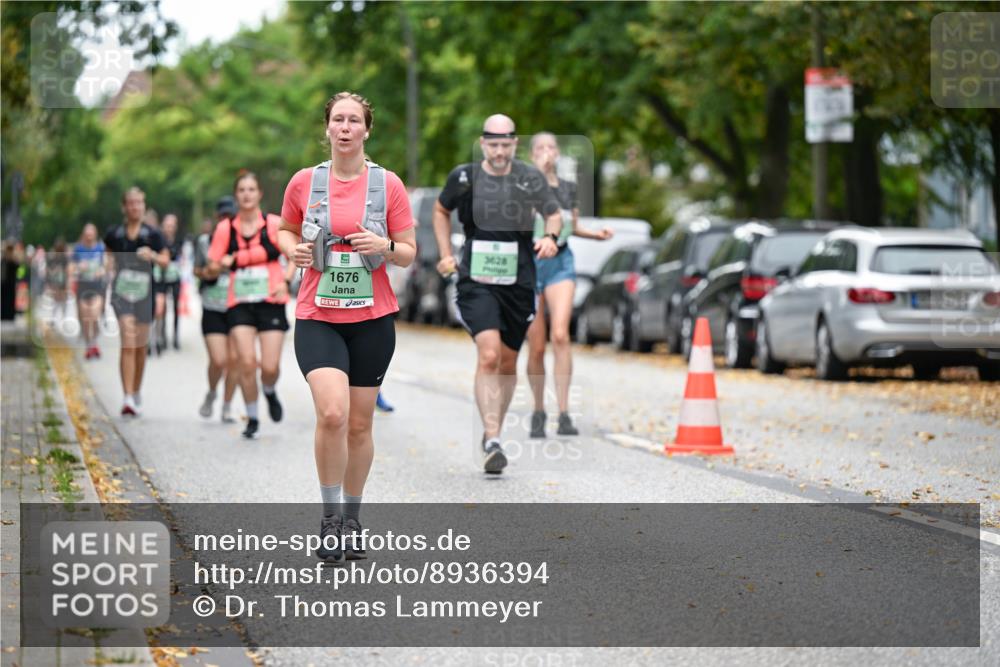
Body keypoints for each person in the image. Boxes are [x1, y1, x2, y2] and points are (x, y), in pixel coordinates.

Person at [277, 91, 415, 562]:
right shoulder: (305, 182)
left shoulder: (388, 185)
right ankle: (330, 518)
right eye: (338, 119)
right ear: (328, 128)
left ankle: (353, 519)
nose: (345, 127)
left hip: (373, 318)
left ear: (366, 130)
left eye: (354, 120)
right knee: (332, 414)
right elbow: (285, 227)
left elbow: (410, 251)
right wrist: (289, 249)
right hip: (319, 315)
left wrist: (384, 243)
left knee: (359, 424)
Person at [433, 114, 562, 475]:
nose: (500, 150)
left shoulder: (529, 177)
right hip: (476, 279)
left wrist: (550, 238)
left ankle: (494, 431)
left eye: (506, 144)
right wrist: (445, 253)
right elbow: (441, 210)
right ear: (483, 143)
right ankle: (492, 438)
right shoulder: (464, 177)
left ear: (515, 144)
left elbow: (554, 215)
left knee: (507, 363)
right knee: (488, 355)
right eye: (494, 144)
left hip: (519, 282)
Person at [524, 133, 613, 438]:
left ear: (558, 154)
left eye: (551, 148)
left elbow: (573, 227)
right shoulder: (523, 186)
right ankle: (538, 410)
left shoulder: (568, 189)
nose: (547, 153)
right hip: (529, 265)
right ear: (532, 155)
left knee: (560, 334)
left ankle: (563, 412)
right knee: (536, 346)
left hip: (561, 263)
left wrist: (595, 235)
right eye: (540, 149)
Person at [208, 172, 290, 440]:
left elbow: (296, 256)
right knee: (246, 362)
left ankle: (269, 390)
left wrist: (286, 281)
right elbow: (213, 262)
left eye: (251, 189)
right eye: (241, 189)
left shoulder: (275, 224)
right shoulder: (225, 229)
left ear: (259, 194)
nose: (246, 194)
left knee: (269, 366)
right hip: (239, 302)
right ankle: (253, 416)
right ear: (236, 195)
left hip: (271, 300)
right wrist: (218, 264)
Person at [104, 187, 169, 417]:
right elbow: (107, 254)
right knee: (128, 341)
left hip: (145, 293)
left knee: (140, 346)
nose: (135, 207)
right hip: (122, 294)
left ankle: (136, 390)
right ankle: (127, 396)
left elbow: (165, 261)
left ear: (144, 205)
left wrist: (152, 255)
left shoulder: (153, 234)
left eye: (139, 202)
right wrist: (107, 267)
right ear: (124, 206)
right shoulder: (115, 233)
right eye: (131, 203)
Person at [194, 209, 240, 422]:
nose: (225, 222)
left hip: (237, 306)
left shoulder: (244, 240)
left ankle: (227, 405)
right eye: (221, 217)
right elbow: (197, 269)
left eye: (229, 218)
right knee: (218, 360)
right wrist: (209, 272)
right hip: (212, 305)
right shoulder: (205, 242)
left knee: (234, 360)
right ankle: (212, 393)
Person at [72, 223, 108, 359]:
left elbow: (107, 265)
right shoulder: (78, 249)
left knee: (94, 315)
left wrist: (102, 271)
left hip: (97, 286)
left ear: (95, 234)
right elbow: (71, 268)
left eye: (91, 234)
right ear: (84, 235)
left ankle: (94, 342)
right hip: (82, 287)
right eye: (87, 234)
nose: (89, 236)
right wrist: (78, 267)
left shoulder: (101, 248)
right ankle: (89, 345)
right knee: (86, 319)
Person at [153, 213, 185, 352]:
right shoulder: (159, 240)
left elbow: (182, 258)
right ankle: (163, 337)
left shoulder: (179, 241)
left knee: (176, 307)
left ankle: (175, 337)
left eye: (172, 226)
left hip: (175, 277)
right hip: (162, 277)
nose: (169, 228)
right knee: (162, 307)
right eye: (167, 225)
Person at [45, 238, 70, 321]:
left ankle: (62, 317)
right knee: (55, 300)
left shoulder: (64, 258)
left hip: (62, 280)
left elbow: (67, 270)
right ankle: (54, 318)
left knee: (62, 300)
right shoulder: (52, 257)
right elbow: (48, 270)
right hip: (55, 280)